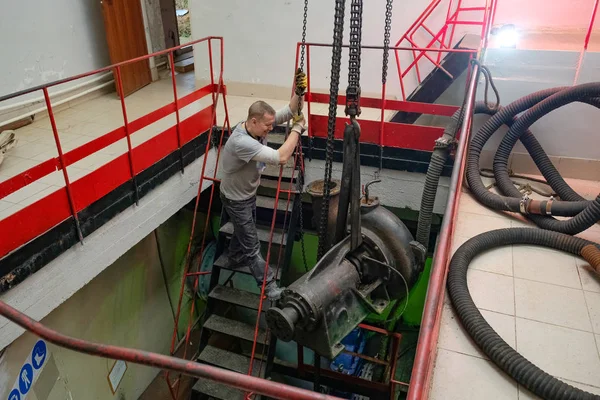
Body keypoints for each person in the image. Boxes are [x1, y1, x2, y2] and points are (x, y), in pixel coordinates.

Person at [217, 71, 307, 301]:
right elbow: (281, 157)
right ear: (254, 121)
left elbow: (289, 111)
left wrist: (299, 93)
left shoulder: (257, 124)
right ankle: (268, 287)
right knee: (252, 244)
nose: (271, 129)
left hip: (244, 193)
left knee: (242, 228)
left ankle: (235, 255)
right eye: (267, 126)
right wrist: (297, 129)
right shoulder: (241, 142)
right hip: (237, 199)